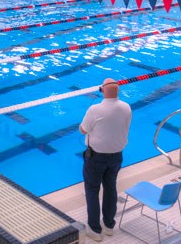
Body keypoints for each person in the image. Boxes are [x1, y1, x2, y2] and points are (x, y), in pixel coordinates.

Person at [79, 78, 132, 242]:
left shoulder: (95, 109)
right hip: (116, 156)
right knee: (110, 189)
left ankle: (95, 230)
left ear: (102, 91)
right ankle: (109, 226)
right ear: (118, 91)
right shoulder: (126, 107)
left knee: (92, 190)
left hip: (96, 157)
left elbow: (82, 130)